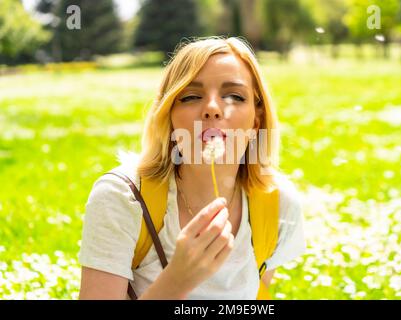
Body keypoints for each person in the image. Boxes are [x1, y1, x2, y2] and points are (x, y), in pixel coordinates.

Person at [78, 36, 306, 300]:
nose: (212, 108)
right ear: (169, 115)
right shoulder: (124, 198)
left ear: (257, 121)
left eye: (234, 96)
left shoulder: (277, 206)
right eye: (191, 96)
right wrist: (177, 280)